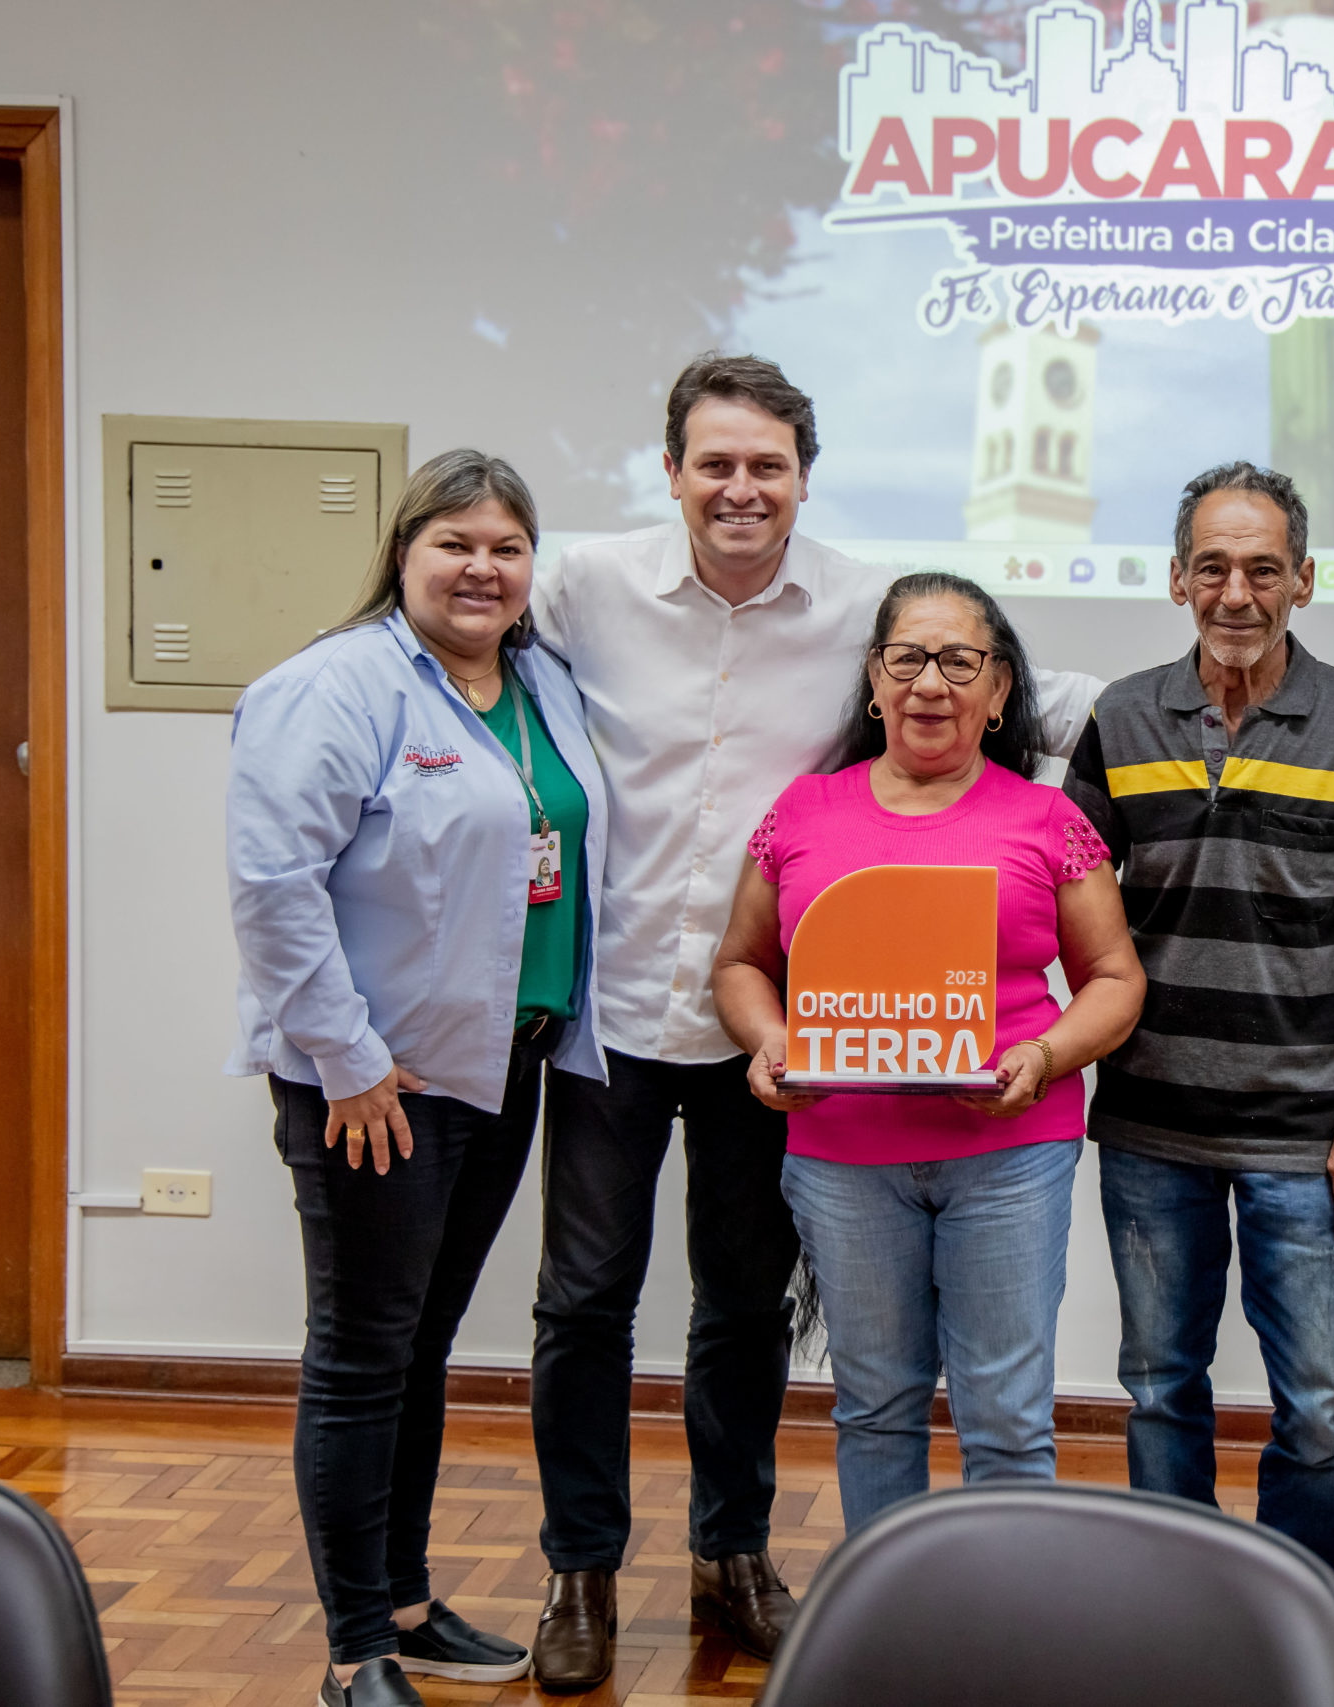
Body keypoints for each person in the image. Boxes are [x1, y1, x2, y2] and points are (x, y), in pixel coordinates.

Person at [523, 355, 1100, 1682]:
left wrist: (1197, 707)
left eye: (766, 466)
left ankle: (732, 1557)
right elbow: (459, 613)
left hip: (772, 1031)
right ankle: (582, 1573)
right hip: (610, 1011)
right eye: (714, 463)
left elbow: (1030, 688)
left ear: (801, 479)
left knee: (742, 1308)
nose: (739, 488)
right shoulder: (585, 583)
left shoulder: (860, 606)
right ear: (671, 469)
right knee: (583, 1300)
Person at [225, 451, 608, 1707]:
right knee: (359, 1352)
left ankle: (403, 1599)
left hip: (502, 1064)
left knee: (421, 1345)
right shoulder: (332, 688)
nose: (482, 569)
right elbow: (274, 892)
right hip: (375, 1085)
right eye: (455, 544)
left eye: (506, 548)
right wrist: (347, 1060)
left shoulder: (537, 678)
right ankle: (355, 1650)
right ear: (403, 553)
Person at [712, 572, 1145, 1531]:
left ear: (999, 693)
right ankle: (890, 1635)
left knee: (1005, 1418)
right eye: (907, 657)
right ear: (874, 678)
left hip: (1009, 1156)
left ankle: (1001, 1639)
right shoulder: (803, 814)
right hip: (842, 1160)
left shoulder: (1047, 822)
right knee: (875, 1409)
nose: (930, 683)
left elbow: (1116, 979)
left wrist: (1042, 1057)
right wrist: (770, 1041)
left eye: (960, 661)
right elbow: (741, 963)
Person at [1059, 462, 1334, 1586]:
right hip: (1150, 1125)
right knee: (1160, 1385)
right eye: (1213, 567)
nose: (1237, 592)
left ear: (1305, 579)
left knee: (1316, 1403)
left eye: (1263, 568)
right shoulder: (1118, 717)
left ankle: (1305, 1618)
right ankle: (1179, 1613)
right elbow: (1069, 907)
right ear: (1175, 581)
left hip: (1305, 1133)